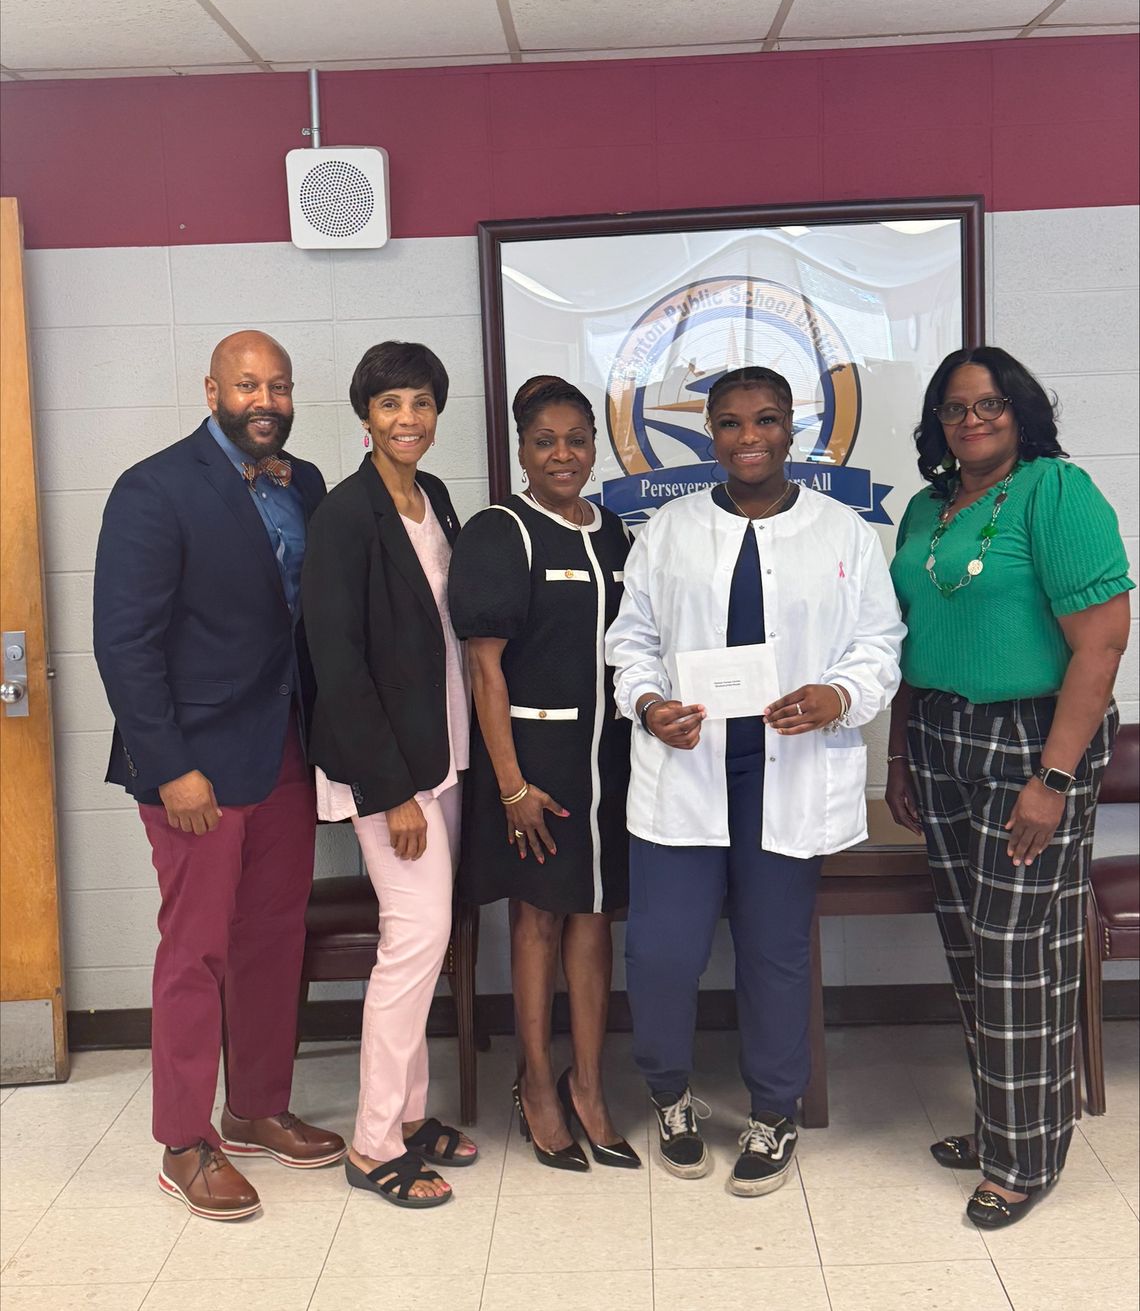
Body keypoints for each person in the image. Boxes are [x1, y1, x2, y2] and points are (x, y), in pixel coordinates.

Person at [606, 365, 903, 1195]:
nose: (747, 437)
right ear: (708, 432)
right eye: (730, 422)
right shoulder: (666, 531)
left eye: (765, 420)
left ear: (792, 429)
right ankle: (670, 1094)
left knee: (774, 952)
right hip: (684, 770)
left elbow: (879, 645)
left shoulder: (842, 533)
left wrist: (838, 695)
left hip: (788, 773)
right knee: (663, 951)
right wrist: (649, 700)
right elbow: (630, 641)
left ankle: (775, 1110)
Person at [92, 331, 345, 1222]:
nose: (264, 397)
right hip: (193, 765)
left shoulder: (305, 483)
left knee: (273, 934)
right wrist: (170, 769)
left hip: (284, 749)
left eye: (278, 382)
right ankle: (182, 1142)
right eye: (247, 383)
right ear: (212, 390)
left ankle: (255, 1108)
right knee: (194, 949)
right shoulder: (154, 488)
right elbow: (123, 644)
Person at [886, 345, 1132, 1229]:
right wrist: (900, 755)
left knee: (1015, 943)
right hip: (945, 734)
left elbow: (1101, 643)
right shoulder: (928, 507)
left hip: (1037, 738)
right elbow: (910, 636)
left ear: (1022, 410)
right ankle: (1005, 1125)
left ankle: (1025, 1158)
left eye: (989, 404)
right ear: (937, 423)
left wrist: (1055, 778)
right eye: (955, 408)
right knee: (968, 940)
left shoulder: (1055, 493)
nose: (972, 420)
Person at [300, 341, 476, 1209]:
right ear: (364, 414)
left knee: (427, 940)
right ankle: (374, 1144)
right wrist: (392, 790)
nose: (408, 419)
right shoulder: (343, 516)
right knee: (412, 943)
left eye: (421, 403)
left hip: (439, 756)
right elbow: (337, 663)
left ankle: (407, 1115)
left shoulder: (431, 496)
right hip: (389, 773)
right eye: (390, 404)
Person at [448, 376, 638, 1170]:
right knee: (538, 921)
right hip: (533, 769)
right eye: (544, 441)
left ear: (595, 444)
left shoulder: (614, 529)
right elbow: (483, 672)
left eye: (576, 439)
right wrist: (513, 787)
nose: (563, 454)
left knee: (594, 920)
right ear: (521, 449)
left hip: (611, 761)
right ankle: (535, 1086)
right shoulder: (501, 530)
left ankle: (589, 1084)